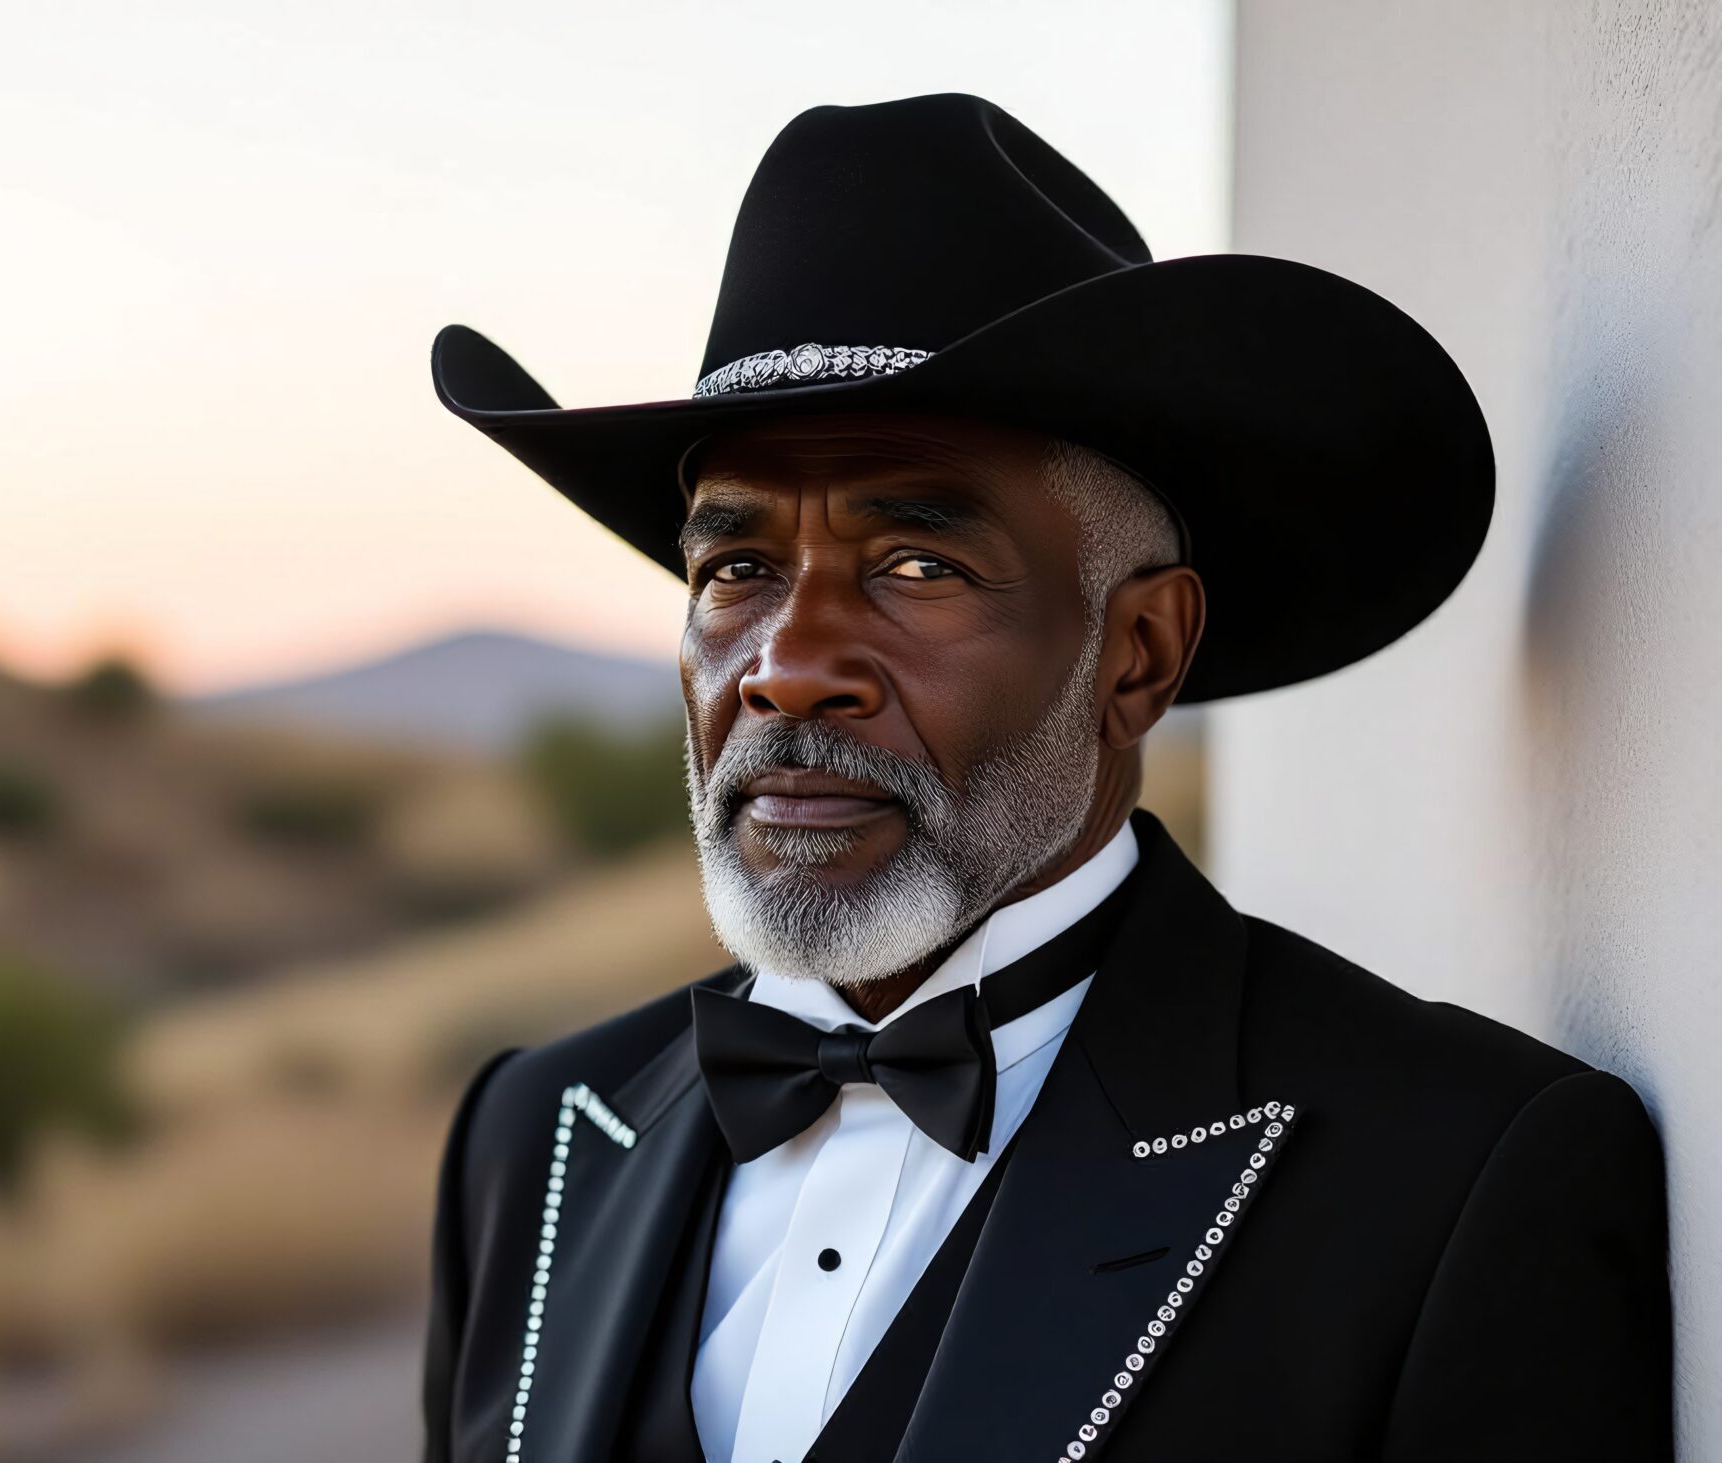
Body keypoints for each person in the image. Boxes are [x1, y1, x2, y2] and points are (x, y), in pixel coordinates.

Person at [417, 93, 1672, 1463]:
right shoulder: (532, 1135)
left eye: (917, 566)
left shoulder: (1457, 1179)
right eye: (737, 570)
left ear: (1137, 654)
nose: (785, 668)